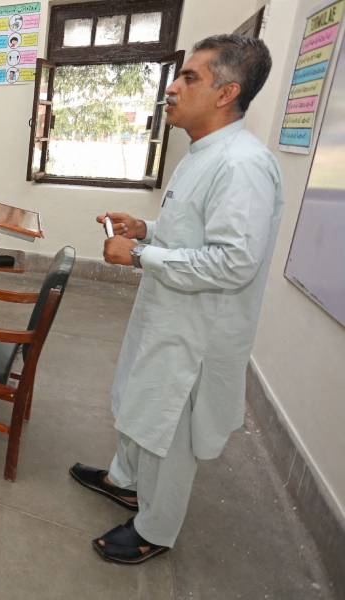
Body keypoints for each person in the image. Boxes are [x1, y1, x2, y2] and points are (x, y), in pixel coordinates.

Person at [70, 35, 282, 564]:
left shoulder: (243, 165)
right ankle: (126, 481)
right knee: (141, 400)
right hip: (170, 313)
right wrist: (147, 228)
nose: (173, 87)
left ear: (225, 93)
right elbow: (194, 230)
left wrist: (140, 255)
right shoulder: (205, 154)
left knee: (172, 427)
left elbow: (234, 261)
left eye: (190, 77)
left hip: (198, 331)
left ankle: (155, 528)